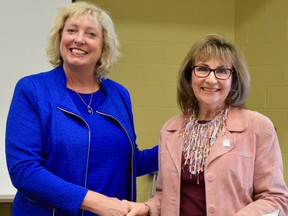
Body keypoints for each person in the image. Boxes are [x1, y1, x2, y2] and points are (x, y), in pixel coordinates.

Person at [5, 1, 158, 216]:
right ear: (60, 38)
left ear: (104, 46)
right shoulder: (32, 90)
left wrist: (180, 141)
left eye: (91, 34)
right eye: (72, 30)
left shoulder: (119, 95)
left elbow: (128, 161)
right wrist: (96, 202)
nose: (79, 39)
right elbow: (23, 170)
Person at [125, 34, 288, 216]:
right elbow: (164, 195)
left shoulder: (258, 127)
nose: (211, 79)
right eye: (202, 69)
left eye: (222, 71)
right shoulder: (171, 129)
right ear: (189, 76)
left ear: (234, 79)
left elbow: (276, 199)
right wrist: (147, 207)